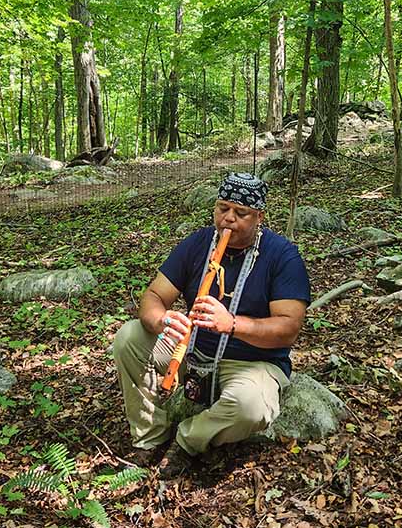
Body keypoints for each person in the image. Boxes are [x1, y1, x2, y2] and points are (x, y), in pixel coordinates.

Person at [112, 172, 311, 477]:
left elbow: (289, 328)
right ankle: (150, 437)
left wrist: (232, 324)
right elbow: (154, 295)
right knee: (129, 337)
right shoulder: (198, 243)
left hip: (253, 361)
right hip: (194, 351)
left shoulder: (282, 255)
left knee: (251, 408)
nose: (227, 219)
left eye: (240, 213)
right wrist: (161, 319)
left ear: (259, 216)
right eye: (222, 208)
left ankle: (187, 439)